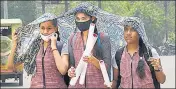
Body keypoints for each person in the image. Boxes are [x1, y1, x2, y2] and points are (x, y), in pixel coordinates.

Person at [7, 13, 68, 88]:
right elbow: (10, 67)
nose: (45, 31)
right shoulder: (34, 47)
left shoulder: (63, 46)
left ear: (56, 29)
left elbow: (63, 70)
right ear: (39, 29)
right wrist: (14, 45)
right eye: (42, 28)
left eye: (49, 28)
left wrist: (54, 47)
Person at [113, 17, 166, 88]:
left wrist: (158, 68)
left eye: (132, 30)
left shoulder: (150, 53)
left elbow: (162, 80)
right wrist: (110, 85)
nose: (128, 33)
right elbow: (116, 81)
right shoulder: (118, 55)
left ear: (139, 33)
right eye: (126, 30)